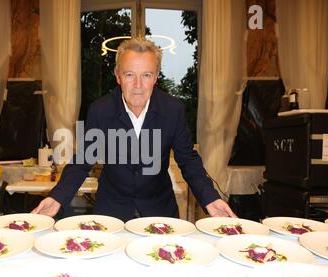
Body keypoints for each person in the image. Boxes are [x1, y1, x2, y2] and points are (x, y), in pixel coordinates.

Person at [31, 37, 236, 221]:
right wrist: (57, 197)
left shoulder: (173, 110)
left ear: (156, 77)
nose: (138, 84)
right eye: (130, 74)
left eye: (146, 75)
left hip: (159, 211)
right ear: (118, 76)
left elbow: (188, 160)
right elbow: (83, 161)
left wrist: (210, 198)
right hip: (111, 212)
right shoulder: (100, 110)